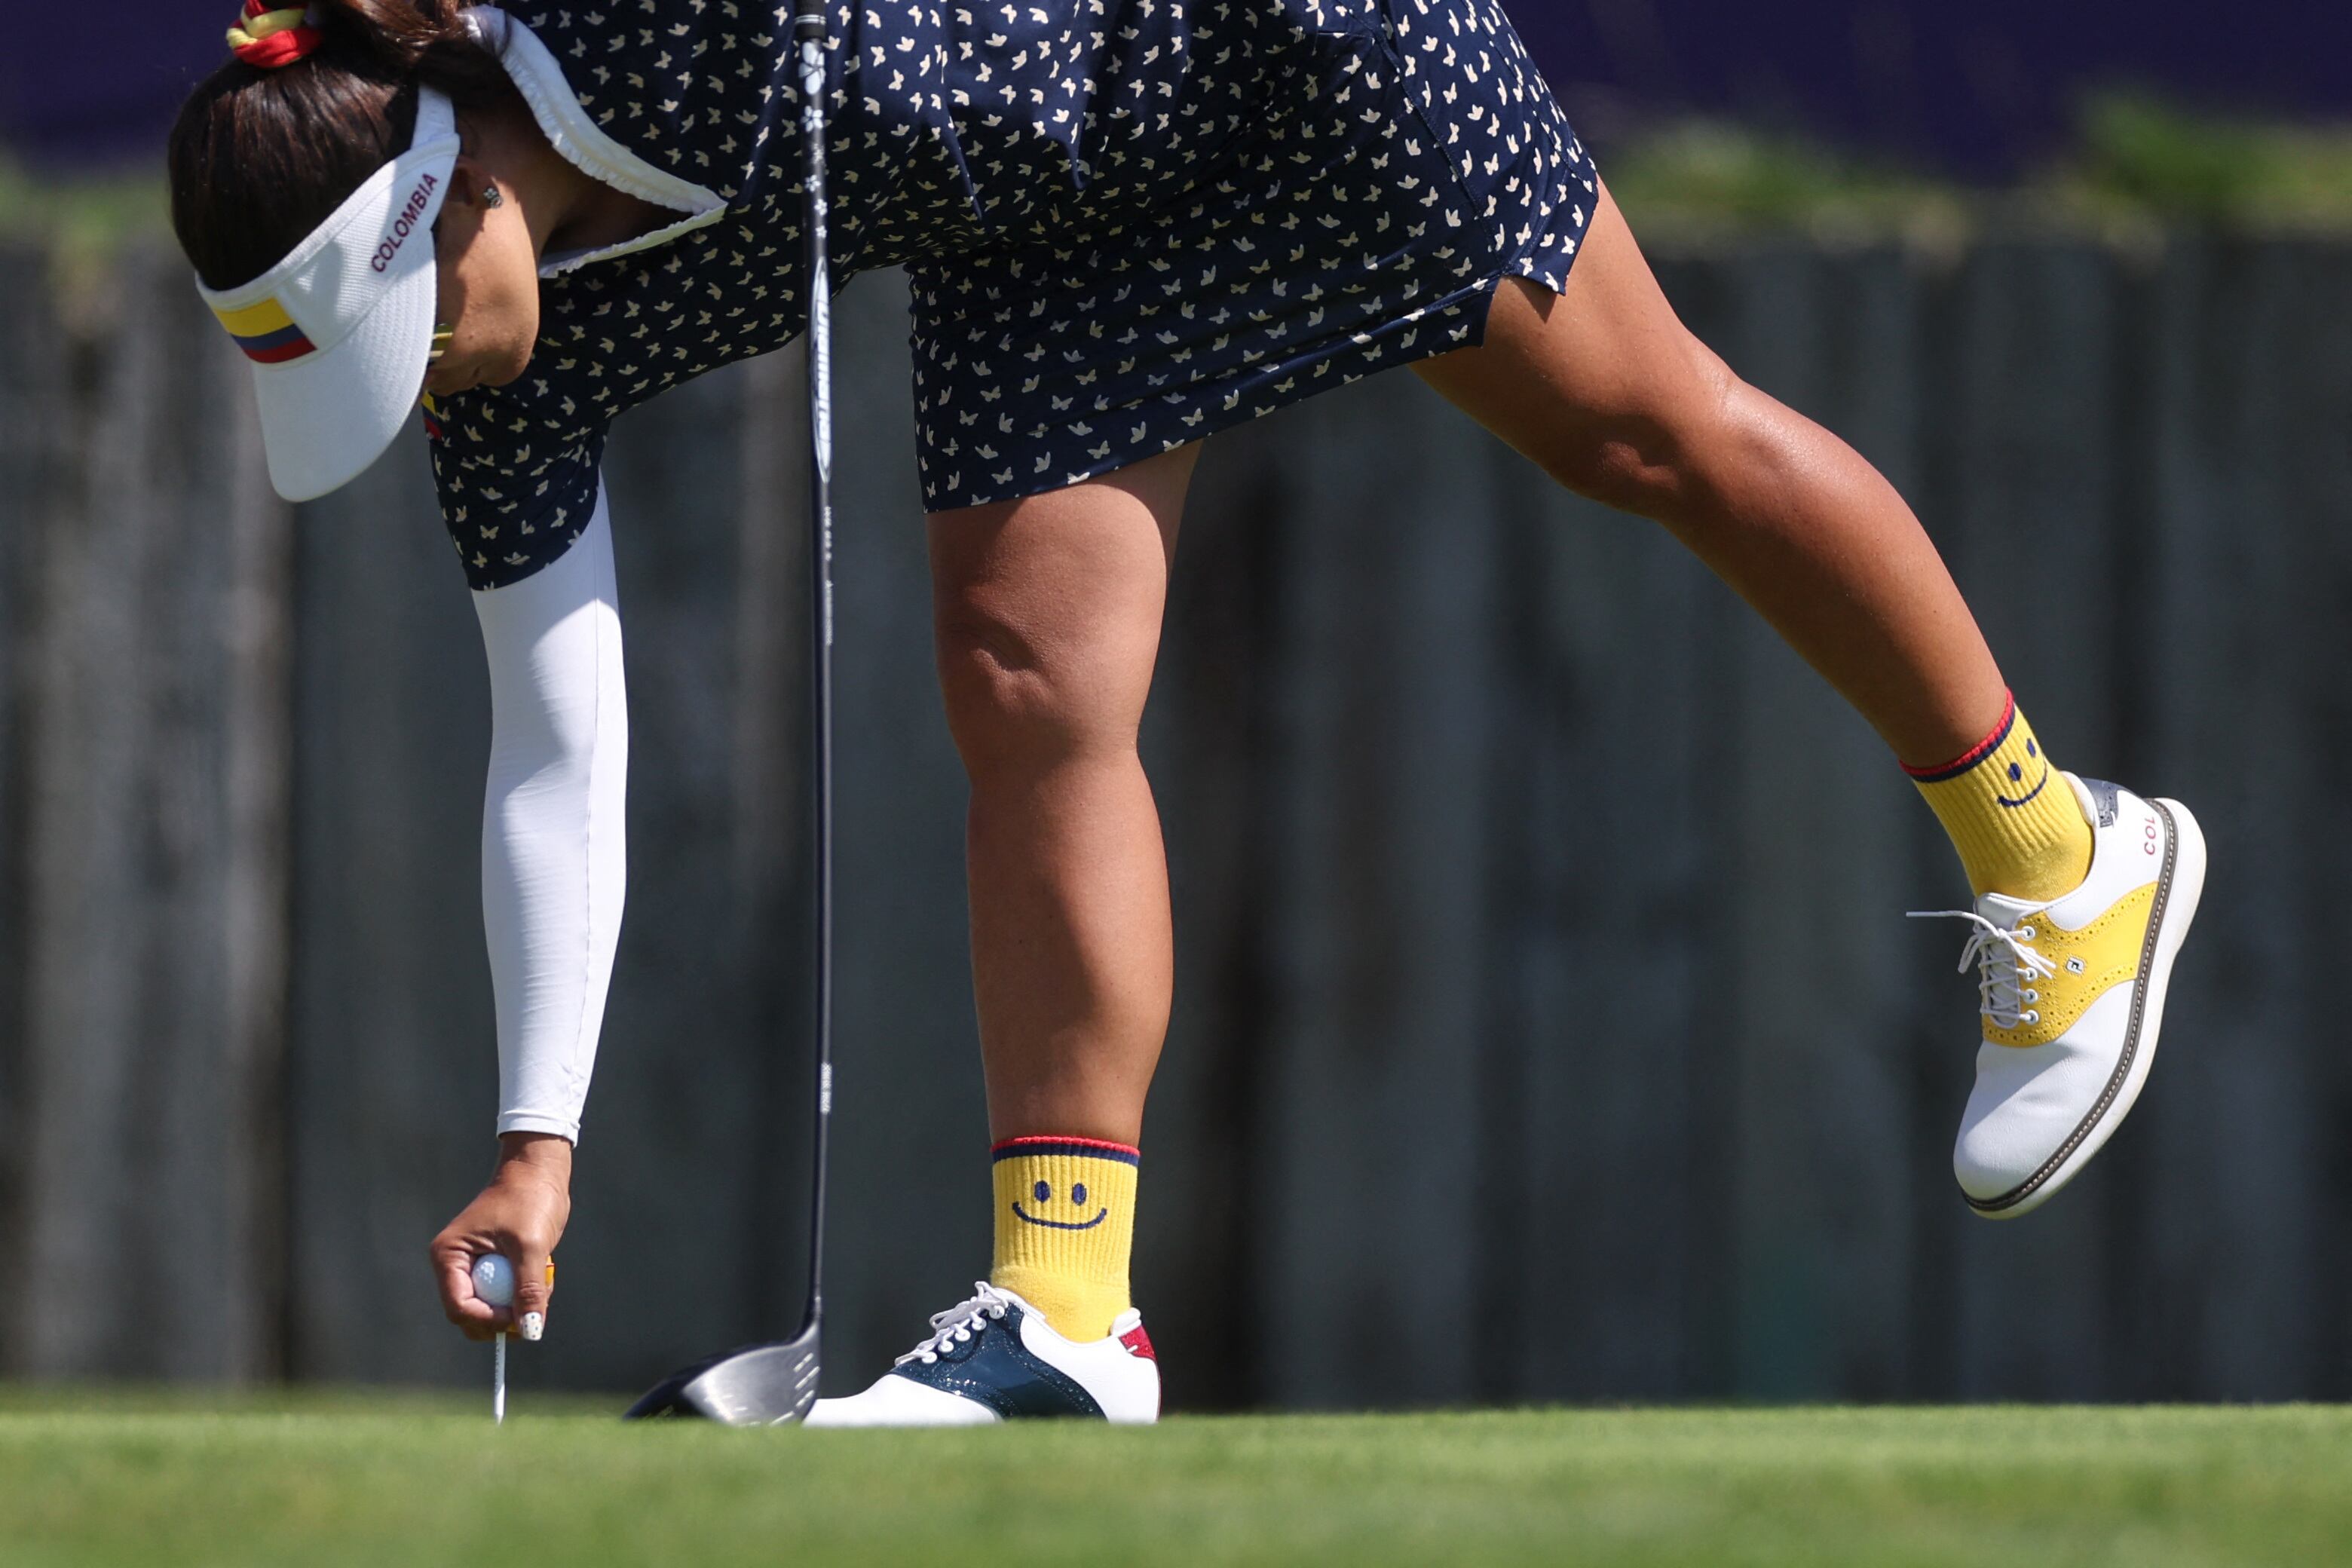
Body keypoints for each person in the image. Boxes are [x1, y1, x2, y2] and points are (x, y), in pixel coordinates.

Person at [169, 0, 2204, 1425]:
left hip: (1253, 30)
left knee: (1652, 434)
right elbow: (556, 739)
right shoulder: (504, 390)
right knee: (1023, 678)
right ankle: (1066, 1317)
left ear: (443, 195)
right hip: (1039, 219)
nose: (429, 389)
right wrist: (539, 1144)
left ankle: (2063, 853)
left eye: (412, 338)